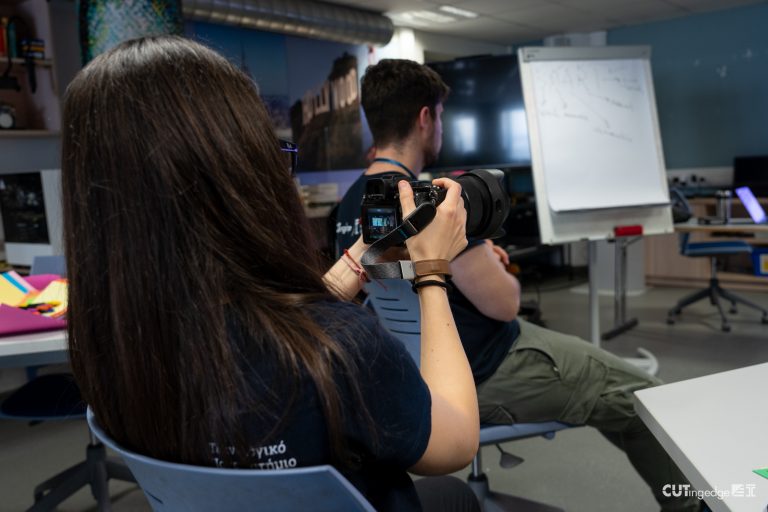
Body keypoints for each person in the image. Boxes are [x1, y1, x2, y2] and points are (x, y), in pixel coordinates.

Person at [61, 36, 481, 512]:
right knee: (455, 496)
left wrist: (359, 259)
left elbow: (275, 338)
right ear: (241, 180)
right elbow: (456, 442)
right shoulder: (345, 350)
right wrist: (431, 271)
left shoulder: (109, 345)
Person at [335, 58, 702, 512]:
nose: (441, 128)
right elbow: (504, 304)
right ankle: (693, 507)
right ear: (425, 117)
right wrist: (489, 260)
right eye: (441, 117)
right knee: (646, 398)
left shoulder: (352, 203)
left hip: (412, 374)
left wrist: (471, 257)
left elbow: (385, 276)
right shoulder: (433, 203)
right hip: (488, 366)